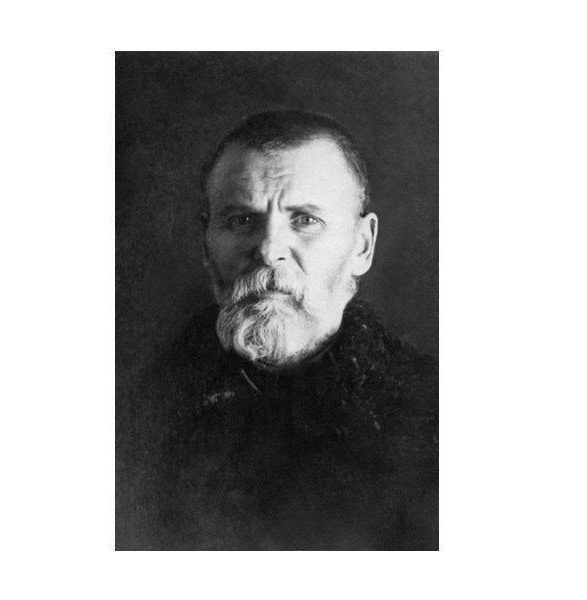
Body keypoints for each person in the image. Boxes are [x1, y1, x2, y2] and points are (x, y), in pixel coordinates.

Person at [116, 110, 438, 550]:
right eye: (241, 221)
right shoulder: (140, 417)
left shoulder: (432, 419)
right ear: (206, 245)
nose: (269, 251)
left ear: (362, 246)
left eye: (305, 219)